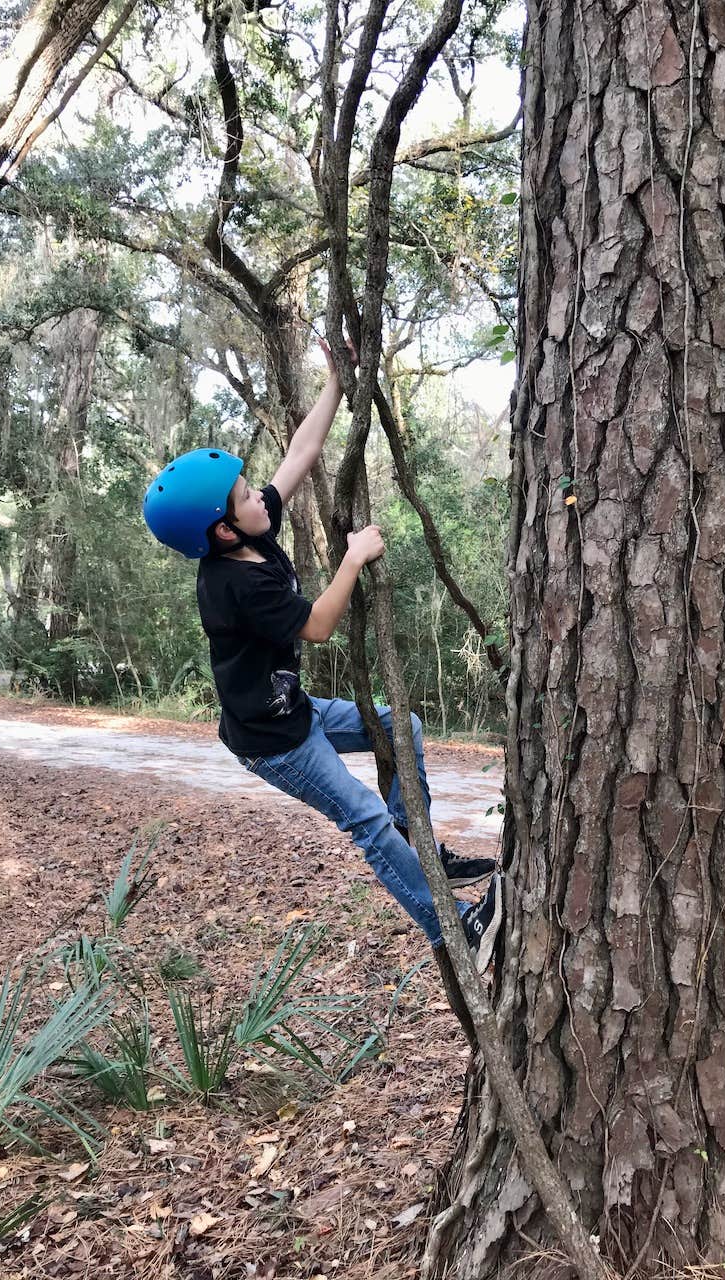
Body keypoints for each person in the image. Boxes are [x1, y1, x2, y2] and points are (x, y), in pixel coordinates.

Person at [142, 339, 503, 973]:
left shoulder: (245, 537)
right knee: (364, 819)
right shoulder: (236, 585)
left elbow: (301, 454)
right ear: (224, 530)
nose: (261, 497)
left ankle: (420, 849)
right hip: (273, 742)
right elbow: (315, 626)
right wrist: (353, 558)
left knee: (406, 728)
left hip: (297, 710)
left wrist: (336, 383)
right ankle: (455, 931)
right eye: (247, 497)